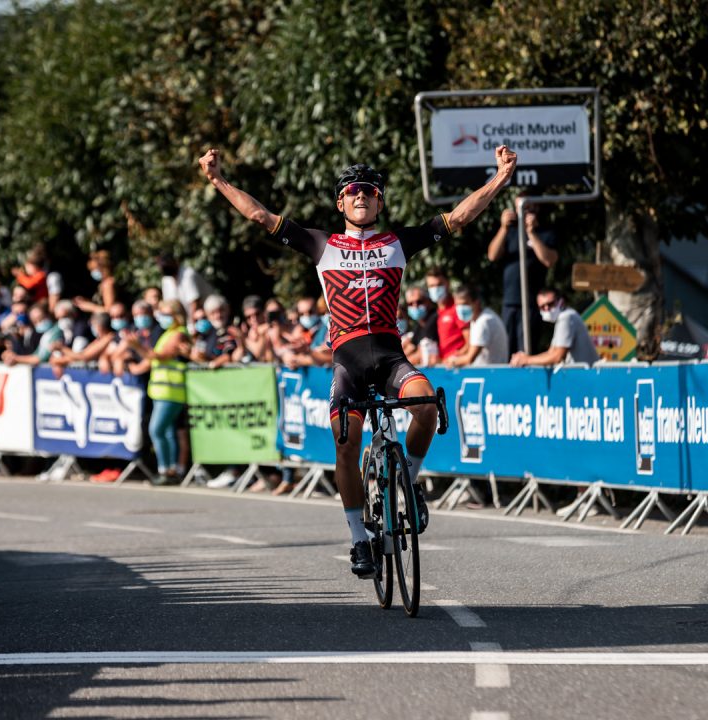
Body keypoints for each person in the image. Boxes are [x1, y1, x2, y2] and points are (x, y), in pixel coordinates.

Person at [200, 143, 518, 578]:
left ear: (380, 200)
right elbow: (260, 217)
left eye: (369, 190)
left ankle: (409, 480)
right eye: (352, 191)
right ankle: (357, 538)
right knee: (345, 442)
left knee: (426, 404)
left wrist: (500, 177)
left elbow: (459, 217)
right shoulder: (321, 244)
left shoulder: (398, 243)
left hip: (390, 358)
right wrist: (218, 179)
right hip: (348, 362)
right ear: (340, 202)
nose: (361, 196)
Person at [488, 200, 557, 355]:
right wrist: (503, 227)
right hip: (509, 302)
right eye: (520, 207)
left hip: (532, 303)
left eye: (528, 207)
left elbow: (549, 260)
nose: (524, 211)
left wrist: (531, 233)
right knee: (506, 350)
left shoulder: (545, 232)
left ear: (536, 207)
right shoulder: (510, 231)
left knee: (526, 350)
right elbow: (492, 255)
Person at [148, 300, 192, 483]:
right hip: (160, 391)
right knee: (167, 432)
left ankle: (166, 470)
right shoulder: (167, 333)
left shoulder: (179, 333)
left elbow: (161, 356)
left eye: (167, 313)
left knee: (156, 430)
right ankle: (171, 470)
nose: (163, 317)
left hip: (171, 392)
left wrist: (136, 346)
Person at [511, 288, 599, 366]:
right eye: (542, 307)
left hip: (585, 378)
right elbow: (551, 353)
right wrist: (525, 358)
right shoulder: (564, 317)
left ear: (561, 302)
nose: (547, 309)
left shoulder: (566, 317)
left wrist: (526, 360)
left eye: (550, 304)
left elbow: (557, 357)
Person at [446, 284, 510, 366]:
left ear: (476, 302)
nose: (460, 308)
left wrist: (451, 361)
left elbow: (469, 359)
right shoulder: (478, 318)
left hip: (490, 375)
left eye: (464, 304)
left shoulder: (483, 321)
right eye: (457, 305)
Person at [424, 267, 466, 363]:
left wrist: (454, 359)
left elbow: (470, 342)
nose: (435, 289)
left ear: (447, 284)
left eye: (439, 285)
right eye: (431, 286)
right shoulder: (437, 313)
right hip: (444, 368)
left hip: (458, 368)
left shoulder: (457, 308)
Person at [401, 285, 439, 366]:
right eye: (410, 304)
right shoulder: (419, 324)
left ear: (428, 301)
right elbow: (411, 347)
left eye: (419, 302)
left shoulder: (434, 318)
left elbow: (421, 354)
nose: (415, 306)